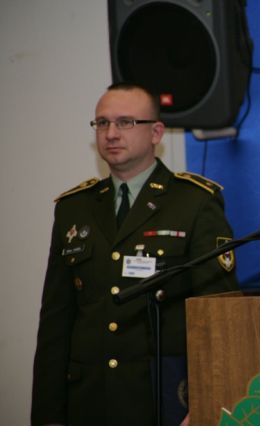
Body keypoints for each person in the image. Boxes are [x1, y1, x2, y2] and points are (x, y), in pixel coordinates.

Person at [32, 82, 239, 426]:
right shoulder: (74, 208)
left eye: (125, 122)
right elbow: (56, 320)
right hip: (88, 402)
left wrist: (208, 400)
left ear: (156, 132)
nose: (111, 133)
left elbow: (219, 316)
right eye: (102, 123)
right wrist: (48, 414)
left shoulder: (194, 202)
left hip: (163, 401)